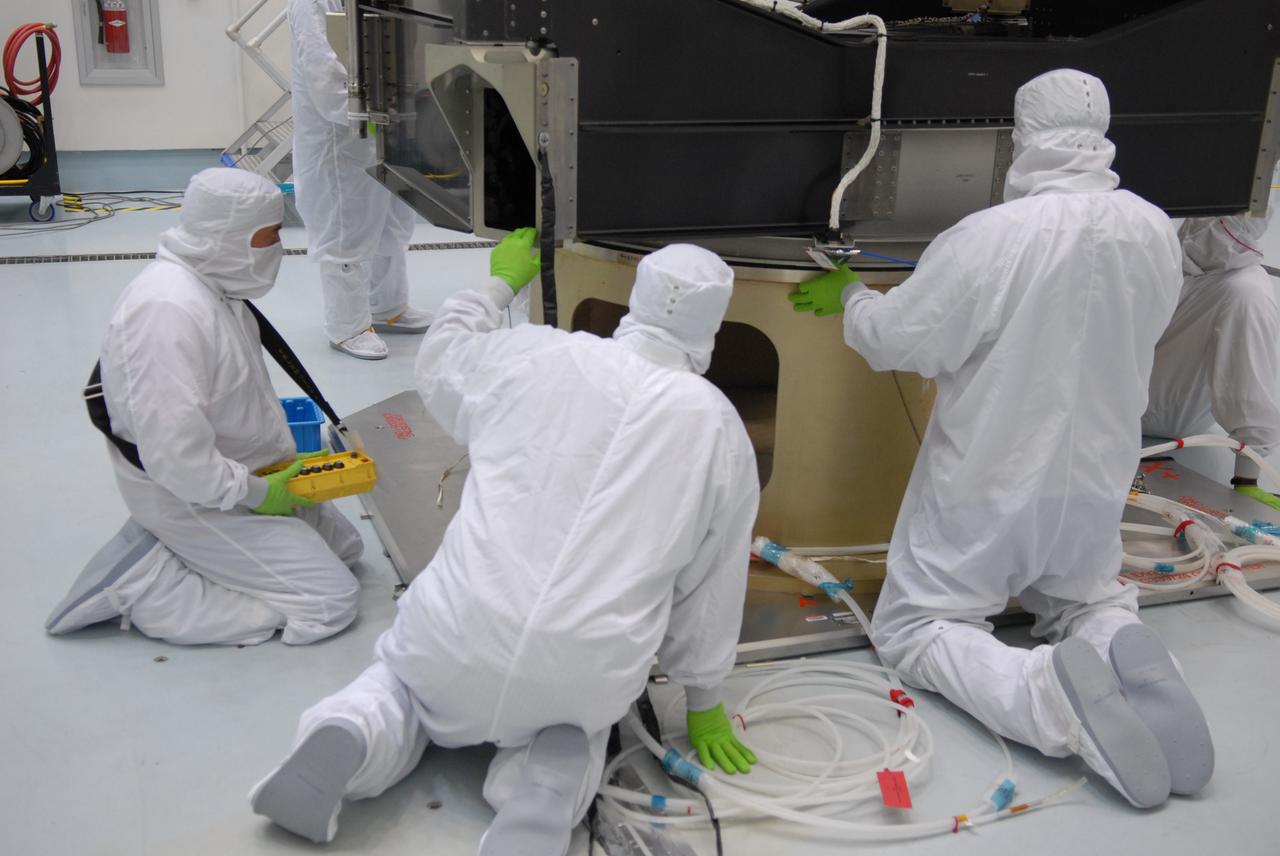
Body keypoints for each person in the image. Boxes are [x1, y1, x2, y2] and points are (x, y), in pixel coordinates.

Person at [251, 232, 760, 853]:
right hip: (584, 672)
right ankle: (540, 790)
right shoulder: (716, 426)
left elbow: (439, 359)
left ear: (638, 298)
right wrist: (702, 695)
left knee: (400, 687)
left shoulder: (535, 355)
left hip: (453, 631)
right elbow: (712, 578)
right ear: (715, 323)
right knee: (575, 730)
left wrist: (498, 285)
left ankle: (350, 733)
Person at [790, 69, 1212, 808]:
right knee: (1083, 597)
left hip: (992, 483)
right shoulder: (1153, 228)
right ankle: (1122, 647)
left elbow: (902, 340)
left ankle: (1046, 697)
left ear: (1023, 135)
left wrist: (849, 297)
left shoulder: (989, 236)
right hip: (1094, 480)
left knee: (920, 625)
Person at [45, 168, 364, 646]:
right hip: (194, 497)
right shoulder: (165, 312)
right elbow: (176, 460)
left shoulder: (219, 286)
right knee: (330, 603)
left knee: (349, 550)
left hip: (248, 476)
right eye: (269, 236)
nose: (277, 247)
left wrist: (275, 470)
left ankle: (204, 558)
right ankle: (155, 591)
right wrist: (257, 494)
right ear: (229, 235)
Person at [289, 0, 433, 360]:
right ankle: (347, 326)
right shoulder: (313, 3)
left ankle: (388, 307)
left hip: (387, 125)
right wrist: (371, 114)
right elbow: (325, 76)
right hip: (341, 139)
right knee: (345, 229)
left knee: (393, 220)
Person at [1143, 212, 1280, 505]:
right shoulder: (1155, 248)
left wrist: (1246, 481)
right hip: (1096, 414)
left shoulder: (1244, 291)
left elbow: (1250, 393)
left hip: (1159, 420)